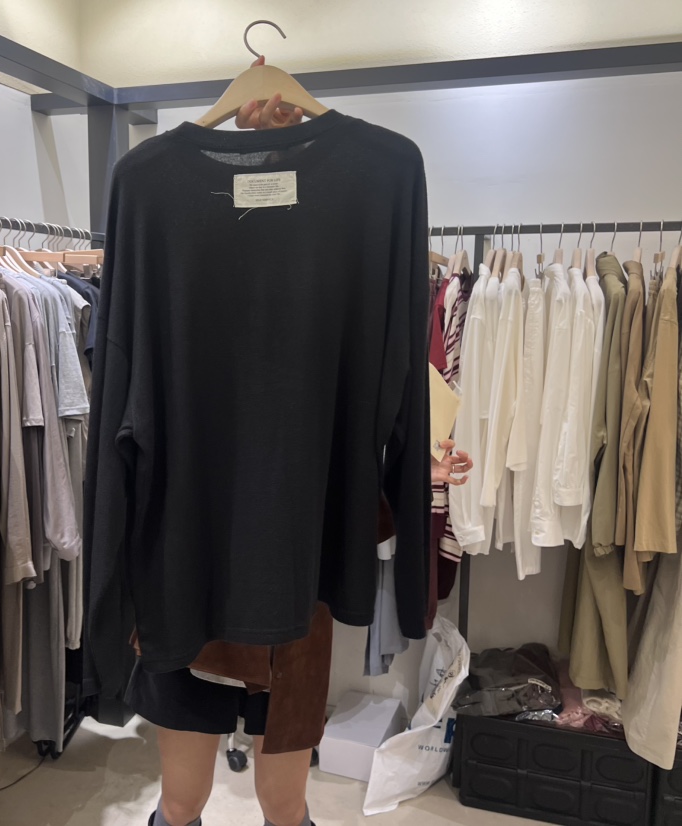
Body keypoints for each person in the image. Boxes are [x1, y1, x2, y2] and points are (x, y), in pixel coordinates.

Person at [147, 65, 473, 826]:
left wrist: (413, 461)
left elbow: (390, 382)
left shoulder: (366, 200)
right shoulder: (165, 202)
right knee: (182, 798)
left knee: (284, 800)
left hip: (297, 577)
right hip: (187, 565)